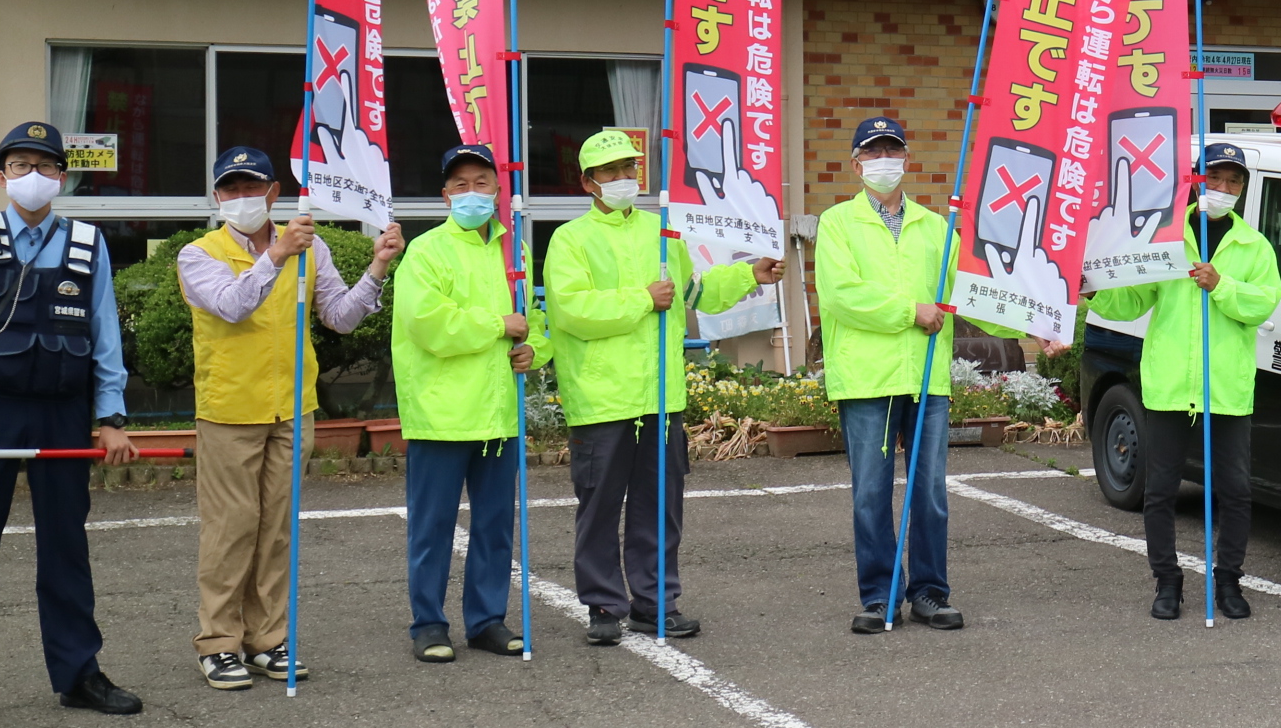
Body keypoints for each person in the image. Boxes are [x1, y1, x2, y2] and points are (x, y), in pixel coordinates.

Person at [0, 121, 143, 728]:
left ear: (62, 177)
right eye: (20, 165)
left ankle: (78, 674)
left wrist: (111, 416)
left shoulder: (87, 242)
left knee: (67, 548)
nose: (33, 176)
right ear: (1, 176)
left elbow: (104, 335)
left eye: (44, 166)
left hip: (63, 412)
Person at [545, 128, 784, 644]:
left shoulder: (663, 232)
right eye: (610, 172)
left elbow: (695, 291)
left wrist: (750, 275)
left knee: (659, 509)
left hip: (659, 396)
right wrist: (641, 298)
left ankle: (656, 603)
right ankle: (604, 607)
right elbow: (570, 311)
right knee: (600, 509)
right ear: (589, 183)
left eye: (629, 169)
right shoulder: (570, 240)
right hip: (602, 398)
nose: (623, 179)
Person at [175, 144, 398, 689]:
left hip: (292, 408)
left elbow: (341, 318)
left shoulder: (310, 246)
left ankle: (267, 639)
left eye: (253, 186)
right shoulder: (197, 254)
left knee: (276, 530)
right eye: (231, 188)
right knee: (231, 530)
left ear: (274, 191)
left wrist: (377, 267)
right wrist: (275, 256)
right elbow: (230, 305)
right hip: (230, 410)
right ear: (216, 196)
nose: (242, 197)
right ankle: (219, 643)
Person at [816, 116, 1037, 635]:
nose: (883, 161)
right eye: (873, 153)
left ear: (907, 159)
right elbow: (842, 297)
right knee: (871, 493)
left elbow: (972, 291)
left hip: (926, 378)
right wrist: (909, 311)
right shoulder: (837, 225)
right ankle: (879, 596)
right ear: (856, 164)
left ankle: (930, 592)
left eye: (892, 150)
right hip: (868, 378)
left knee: (929, 493)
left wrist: (1036, 325)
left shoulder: (936, 228)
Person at [1085, 144, 1281, 620]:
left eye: (1234, 181)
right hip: (1170, 382)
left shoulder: (1253, 245)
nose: (1224, 189)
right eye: (1216, 178)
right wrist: (1093, 290)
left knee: (1234, 491)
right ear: (1196, 180)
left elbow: (1263, 303)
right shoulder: (1165, 235)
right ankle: (1167, 581)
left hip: (1226, 387)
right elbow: (1133, 300)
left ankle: (1229, 582)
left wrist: (1223, 286)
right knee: (1160, 490)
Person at [393, 144, 548, 660]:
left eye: (481, 182)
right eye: (459, 185)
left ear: (498, 191)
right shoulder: (427, 251)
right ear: (444, 196)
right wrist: (498, 327)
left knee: (493, 525)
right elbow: (428, 323)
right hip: (441, 413)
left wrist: (532, 350)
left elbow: (535, 323)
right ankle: (428, 624)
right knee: (433, 526)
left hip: (498, 411)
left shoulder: (514, 254)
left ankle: (486, 620)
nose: (471, 193)